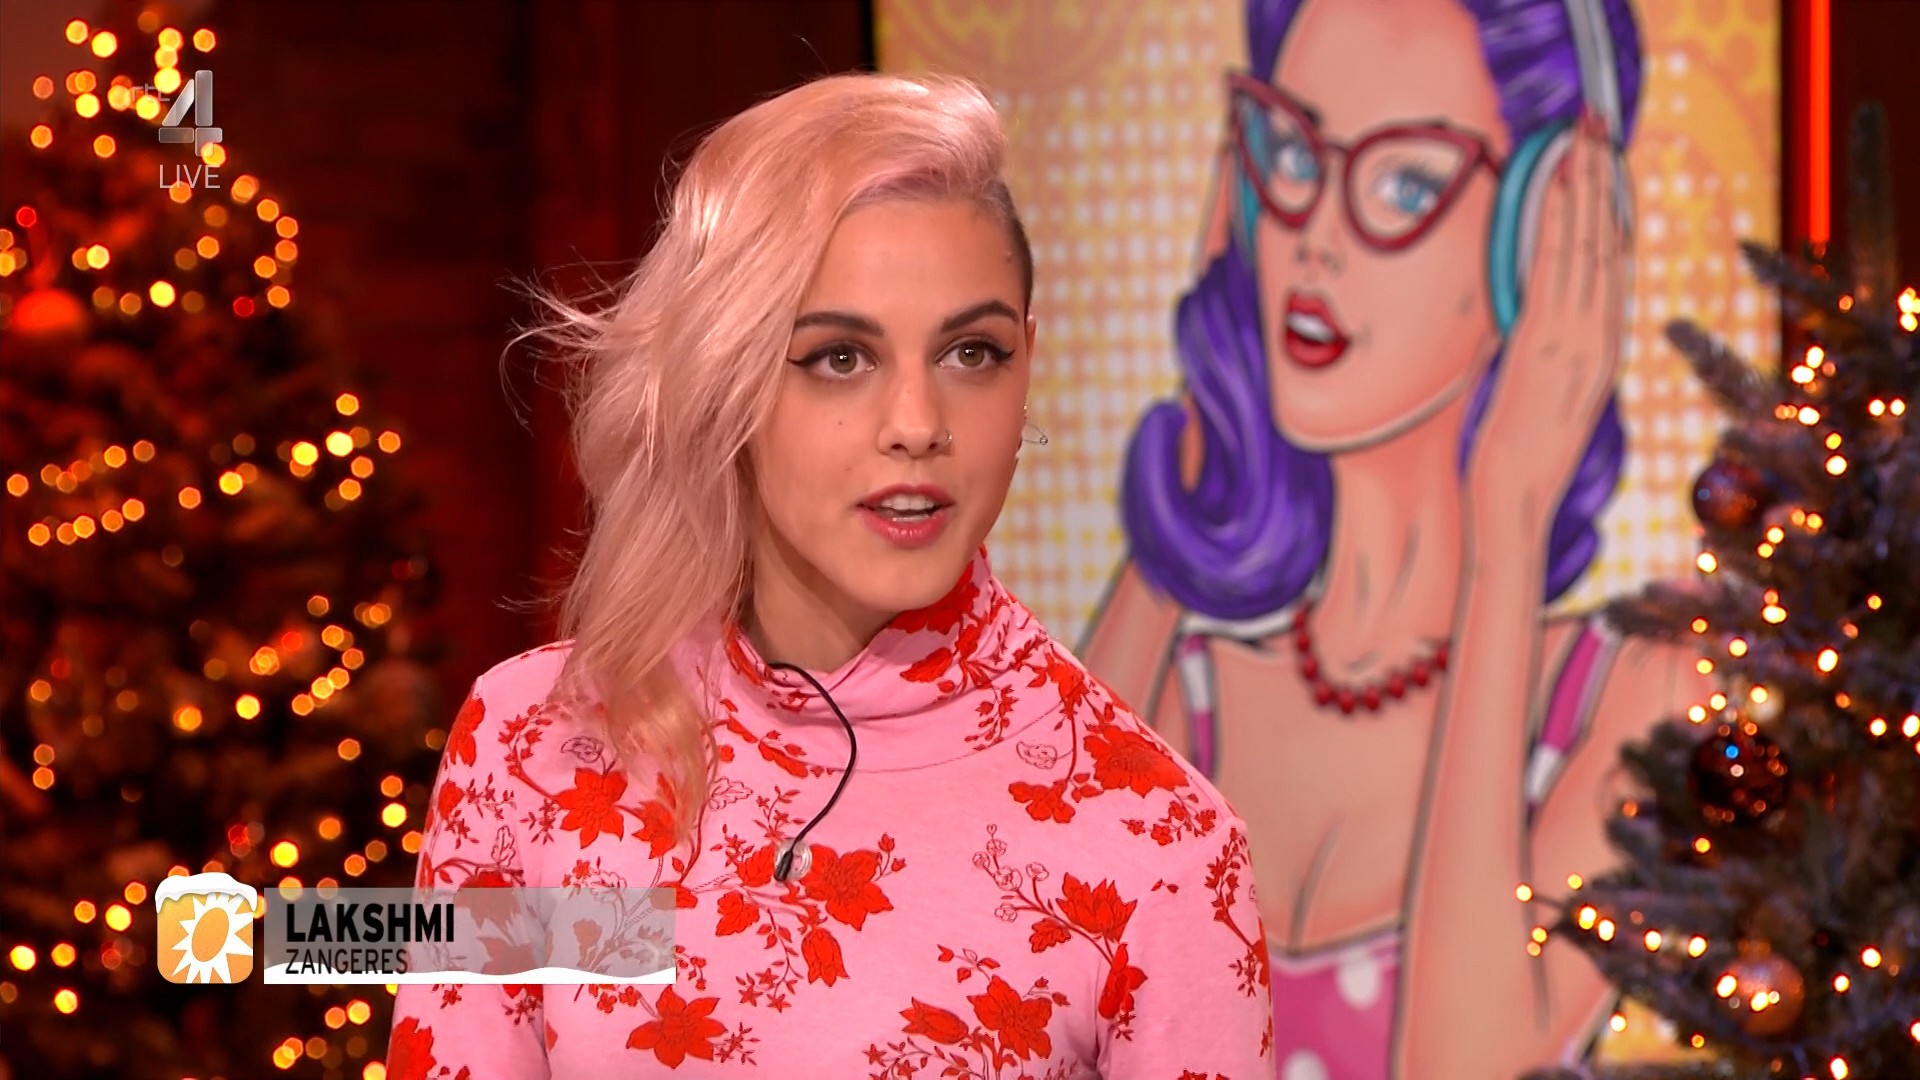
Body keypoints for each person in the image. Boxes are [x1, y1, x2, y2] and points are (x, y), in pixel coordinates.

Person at [387, 72, 1273, 1078]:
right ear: (724, 375)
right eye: (840, 357)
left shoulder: (1159, 846)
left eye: (972, 353)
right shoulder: (531, 748)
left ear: (1028, 364)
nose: (918, 425)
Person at [1081, 0, 1708, 1076]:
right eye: (1292, 155)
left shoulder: (1634, 700)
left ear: (1545, 238)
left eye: (1406, 184)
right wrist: (1210, 454)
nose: (1315, 235)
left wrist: (1509, 525)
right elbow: (1011, 981)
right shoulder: (1185, 696)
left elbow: (1466, 1065)